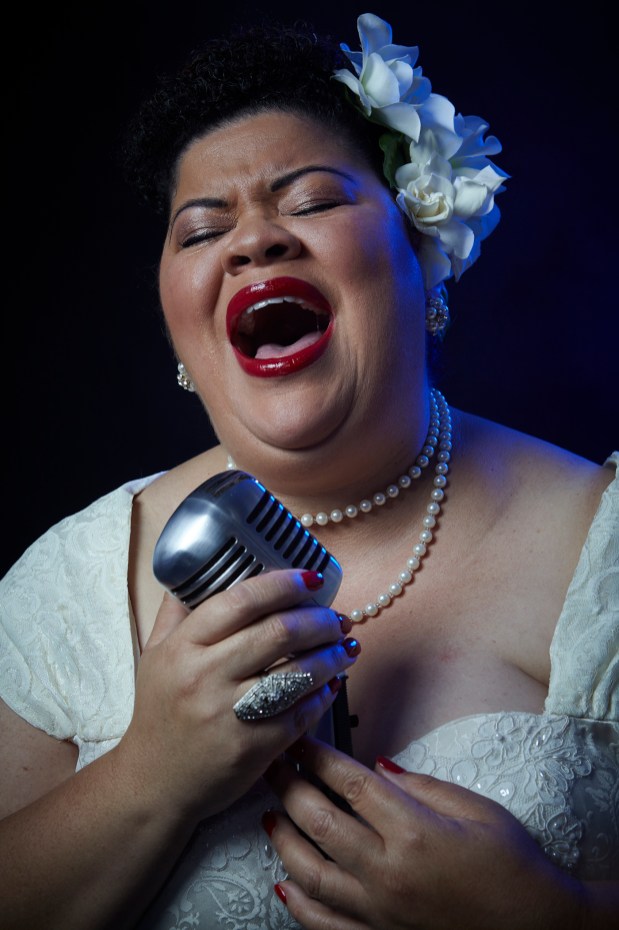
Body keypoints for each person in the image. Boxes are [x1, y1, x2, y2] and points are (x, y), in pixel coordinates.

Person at [1, 11, 617, 929]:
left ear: (424, 256)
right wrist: (148, 778)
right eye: (203, 228)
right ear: (179, 328)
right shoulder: (62, 587)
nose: (254, 242)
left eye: (312, 202)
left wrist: (553, 916)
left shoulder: (599, 546)